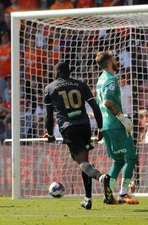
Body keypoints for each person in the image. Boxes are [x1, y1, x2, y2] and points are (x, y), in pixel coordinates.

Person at [44, 62, 114, 210]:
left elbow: (49, 117)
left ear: (56, 73)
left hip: (68, 127)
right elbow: (95, 107)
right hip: (84, 125)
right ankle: (87, 199)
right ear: (69, 72)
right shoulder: (81, 84)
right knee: (85, 162)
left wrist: (50, 134)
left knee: (82, 162)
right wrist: (100, 128)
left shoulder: (49, 88)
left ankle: (101, 178)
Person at [95, 51, 139, 204]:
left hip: (106, 125)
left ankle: (108, 194)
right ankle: (124, 193)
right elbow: (107, 102)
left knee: (118, 161)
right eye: (113, 59)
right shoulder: (111, 79)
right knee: (131, 157)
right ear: (108, 62)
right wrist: (121, 117)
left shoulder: (100, 80)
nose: (116, 61)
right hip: (115, 124)